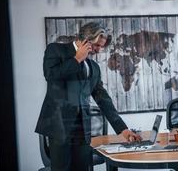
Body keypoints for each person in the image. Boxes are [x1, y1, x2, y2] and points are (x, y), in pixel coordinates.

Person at [35, 22, 141, 171]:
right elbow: (51, 76)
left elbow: (103, 99)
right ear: (86, 40)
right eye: (97, 45)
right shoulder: (55, 50)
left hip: (82, 130)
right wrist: (76, 59)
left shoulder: (94, 68)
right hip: (59, 126)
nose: (99, 50)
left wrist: (122, 129)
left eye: (101, 46)